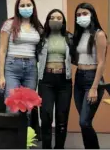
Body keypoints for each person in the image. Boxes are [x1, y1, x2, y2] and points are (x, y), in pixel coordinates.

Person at [0, 0, 43, 113]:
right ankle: (11, 132)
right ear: (17, 8)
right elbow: (2, 50)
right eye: (22, 5)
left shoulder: (37, 26)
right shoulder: (9, 24)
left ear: (33, 7)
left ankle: (24, 132)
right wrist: (1, 76)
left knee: (28, 107)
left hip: (31, 68)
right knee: (12, 106)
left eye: (28, 5)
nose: (26, 8)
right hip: (12, 66)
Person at [72, 2, 106, 149]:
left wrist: (94, 88)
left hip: (92, 80)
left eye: (84, 14)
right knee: (85, 122)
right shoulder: (80, 34)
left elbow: (101, 62)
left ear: (92, 14)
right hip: (79, 77)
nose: (81, 17)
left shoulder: (99, 34)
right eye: (78, 15)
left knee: (84, 122)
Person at [37, 9, 73, 149]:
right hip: (46, 79)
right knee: (45, 116)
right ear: (47, 20)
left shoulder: (69, 37)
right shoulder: (42, 37)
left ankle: (59, 147)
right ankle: (46, 147)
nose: (55, 20)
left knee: (62, 117)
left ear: (63, 21)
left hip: (64, 80)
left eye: (59, 18)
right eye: (52, 17)